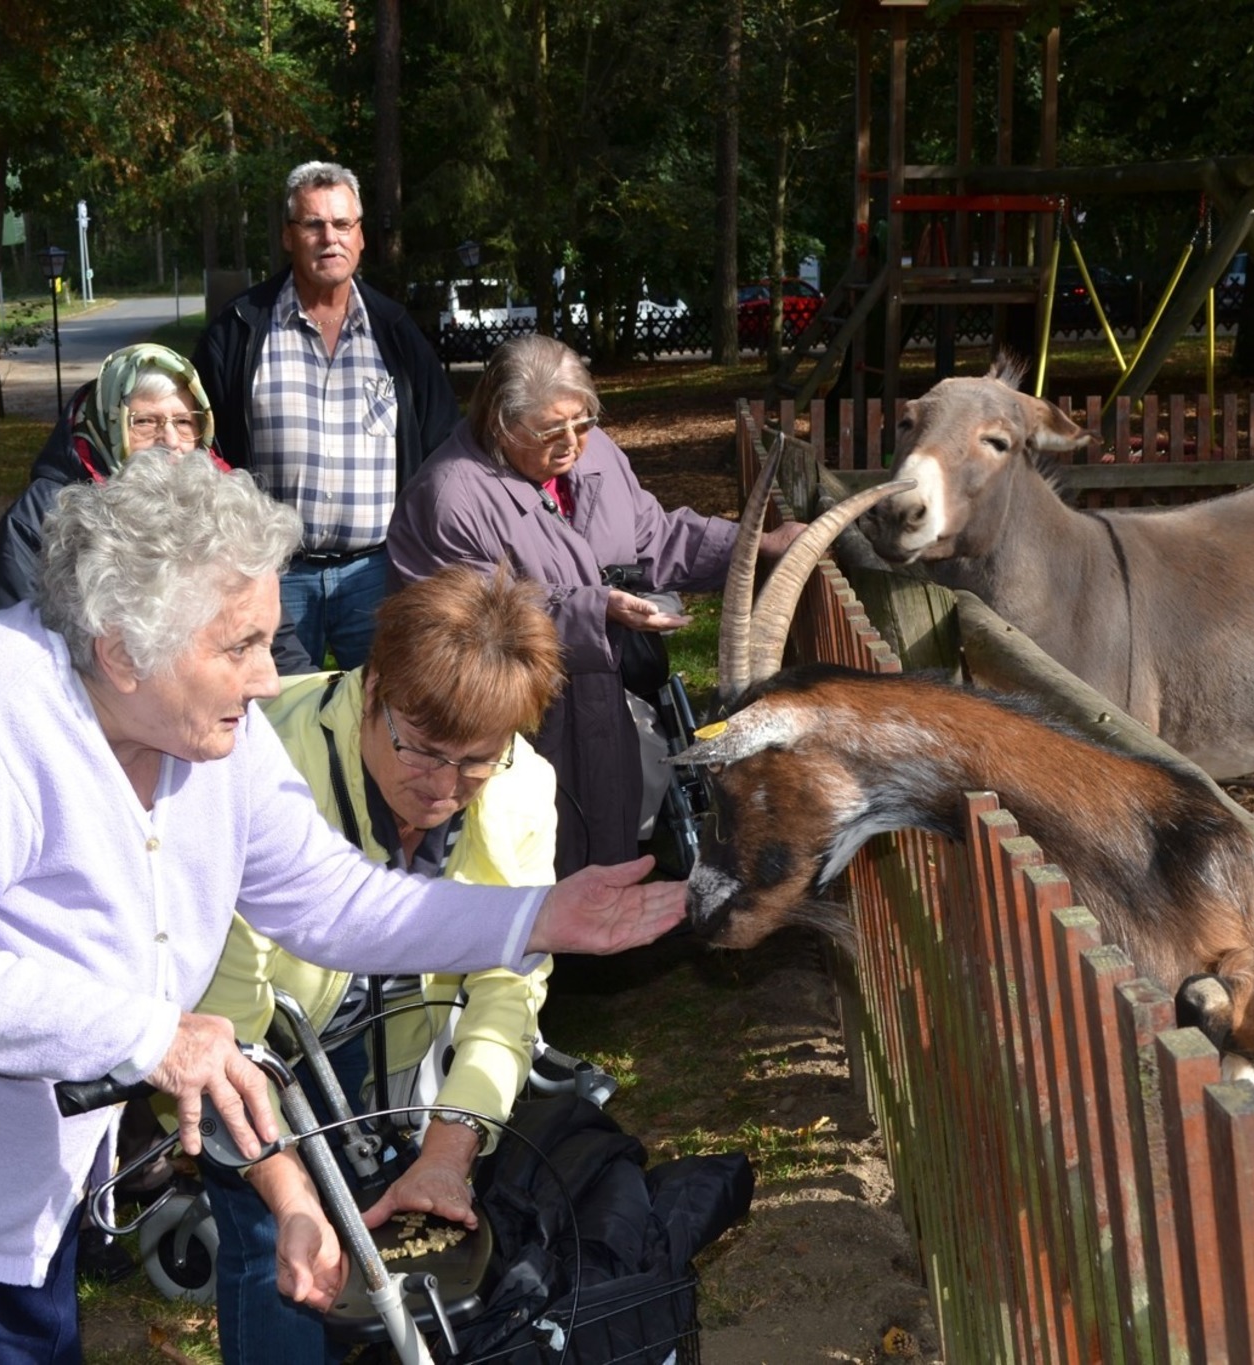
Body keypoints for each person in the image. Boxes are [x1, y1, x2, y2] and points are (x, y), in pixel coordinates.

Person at [0, 446, 684, 1363]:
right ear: (122, 649)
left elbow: (326, 897)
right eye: (240, 645)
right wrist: (152, 1036)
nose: (268, 677)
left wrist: (530, 918)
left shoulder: (213, 735)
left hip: (27, 1195)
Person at [192, 565, 563, 1364]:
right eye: (423, 751)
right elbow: (227, 1023)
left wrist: (447, 1149)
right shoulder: (257, 759)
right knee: (278, 1252)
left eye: (476, 762)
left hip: (389, 1053)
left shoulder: (523, 785)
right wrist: (289, 1189)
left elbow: (508, 991)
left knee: (392, 1247)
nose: (443, 789)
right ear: (373, 688)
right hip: (262, 1044)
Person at [388, 334, 807, 876]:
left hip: (604, 708)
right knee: (520, 864)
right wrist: (596, 611)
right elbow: (465, 629)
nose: (572, 443)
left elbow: (654, 536)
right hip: (516, 730)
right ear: (499, 424)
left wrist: (753, 545)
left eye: (582, 423)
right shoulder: (449, 497)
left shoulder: (598, 453)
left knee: (609, 851)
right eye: (550, 430)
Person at [193, 160, 459, 672]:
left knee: (384, 717)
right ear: (289, 237)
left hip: (376, 573)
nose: (329, 238)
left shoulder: (395, 331)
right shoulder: (242, 329)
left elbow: (442, 446)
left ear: (361, 238)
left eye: (342, 225)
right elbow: (204, 450)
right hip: (271, 575)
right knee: (274, 719)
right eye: (313, 224)